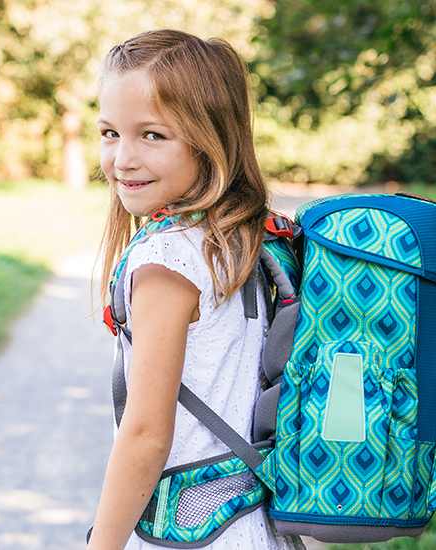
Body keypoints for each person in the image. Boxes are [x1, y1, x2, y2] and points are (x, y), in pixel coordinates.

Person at [89, 29, 305, 550]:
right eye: (110, 132)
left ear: (210, 140)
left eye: (152, 135)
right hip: (252, 522)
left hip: (191, 533)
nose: (123, 158)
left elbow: (146, 437)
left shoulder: (166, 262)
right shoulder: (241, 239)